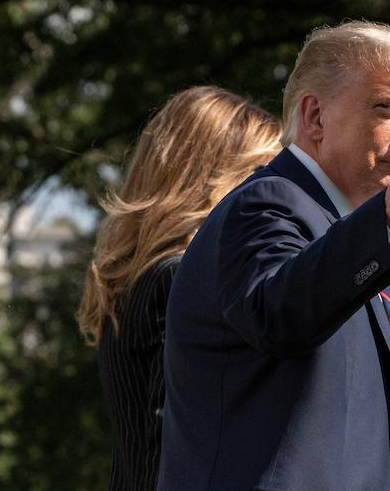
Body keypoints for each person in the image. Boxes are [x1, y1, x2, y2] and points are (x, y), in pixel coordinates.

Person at [159, 21, 390, 491]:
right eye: (389, 106)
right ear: (316, 117)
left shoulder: (346, 231)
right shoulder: (268, 203)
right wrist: (385, 222)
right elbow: (280, 314)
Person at [76, 86, 282, 491]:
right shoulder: (179, 280)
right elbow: (174, 441)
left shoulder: (138, 278)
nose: (269, 194)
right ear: (210, 179)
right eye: (257, 174)